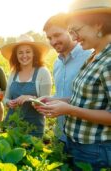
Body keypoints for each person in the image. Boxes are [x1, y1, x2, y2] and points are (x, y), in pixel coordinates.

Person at [36, 0, 111, 169]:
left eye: (76, 30)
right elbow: (84, 99)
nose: (74, 37)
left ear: (98, 25)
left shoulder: (108, 60)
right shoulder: (95, 57)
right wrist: (59, 101)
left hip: (96, 149)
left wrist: (69, 110)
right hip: (78, 144)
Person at [43, 13, 92, 143]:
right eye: (49, 38)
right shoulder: (57, 63)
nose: (53, 41)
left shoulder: (90, 56)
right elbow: (62, 95)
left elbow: (92, 100)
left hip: (83, 138)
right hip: (60, 134)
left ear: (70, 31)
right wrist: (48, 100)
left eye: (57, 35)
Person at [2, 34, 52, 138]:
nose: (24, 55)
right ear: (16, 55)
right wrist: (8, 102)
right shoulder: (13, 73)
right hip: (12, 125)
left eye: (28, 51)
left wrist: (30, 98)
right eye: (20, 52)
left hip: (33, 128)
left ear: (34, 53)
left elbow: (46, 103)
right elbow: (5, 98)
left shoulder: (43, 72)